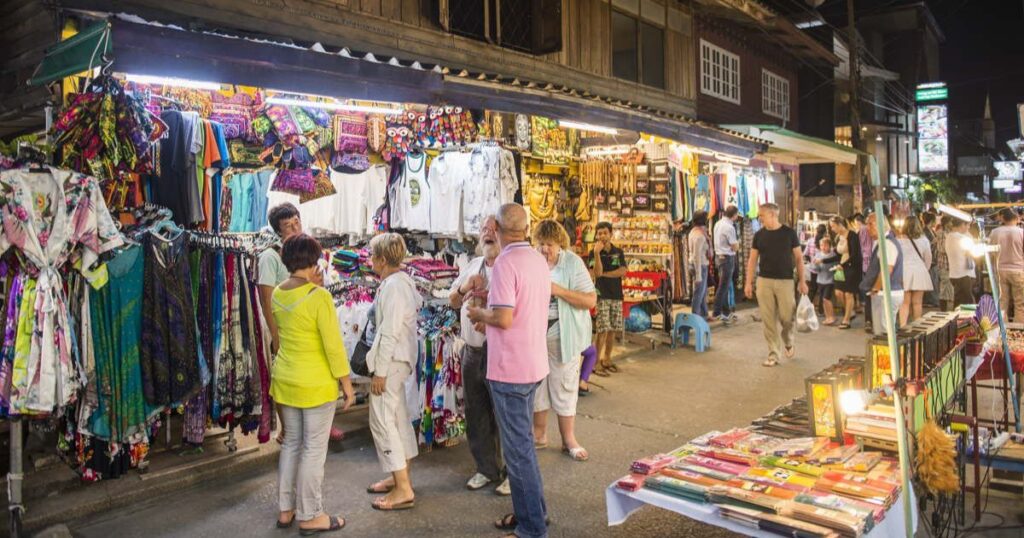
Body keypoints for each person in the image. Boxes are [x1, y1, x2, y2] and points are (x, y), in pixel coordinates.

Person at [468, 204, 551, 538]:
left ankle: (532, 528)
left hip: (511, 369)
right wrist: (492, 297)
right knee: (523, 450)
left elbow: (503, 318)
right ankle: (532, 514)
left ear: (500, 230)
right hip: (532, 364)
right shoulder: (536, 260)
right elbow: (522, 301)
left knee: (517, 454)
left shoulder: (504, 262)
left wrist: (479, 313)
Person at [270, 234, 355, 534]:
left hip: (285, 379)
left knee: (292, 444)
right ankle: (310, 515)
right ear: (312, 259)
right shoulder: (319, 296)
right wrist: (347, 384)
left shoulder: (278, 293)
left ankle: (285, 510)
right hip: (315, 382)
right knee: (313, 450)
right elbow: (334, 346)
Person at [259, 203, 344, 444]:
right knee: (284, 377)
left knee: (309, 372)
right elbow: (267, 301)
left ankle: (317, 425)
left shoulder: (306, 254)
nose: (295, 227)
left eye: (297, 221)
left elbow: (317, 291)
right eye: (288, 225)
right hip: (283, 326)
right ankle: (287, 429)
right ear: (278, 230)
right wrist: (275, 338)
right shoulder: (270, 257)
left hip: (306, 324)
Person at [448, 216, 511, 495]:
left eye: (493, 230)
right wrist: (464, 288)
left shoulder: (508, 268)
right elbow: (451, 300)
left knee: (505, 416)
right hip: (472, 350)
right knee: (476, 414)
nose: (488, 234)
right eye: (484, 230)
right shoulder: (473, 265)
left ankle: (512, 473)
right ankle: (486, 468)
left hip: (500, 352)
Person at [365, 233, 421, 511]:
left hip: (393, 360)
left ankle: (403, 488)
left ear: (383, 259)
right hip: (399, 359)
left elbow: (389, 332)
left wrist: (380, 371)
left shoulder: (394, 287)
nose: (369, 260)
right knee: (397, 418)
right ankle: (400, 476)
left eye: (373, 255)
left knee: (383, 421)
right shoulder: (400, 282)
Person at [532, 219, 596, 462]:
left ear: (560, 245)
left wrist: (558, 291)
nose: (544, 250)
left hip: (564, 334)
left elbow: (590, 301)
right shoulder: (532, 261)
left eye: (549, 244)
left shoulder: (572, 263)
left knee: (565, 385)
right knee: (537, 387)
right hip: (536, 335)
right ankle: (539, 435)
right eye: (540, 244)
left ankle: (568, 439)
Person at [744, 203, 808, 367]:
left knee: (787, 317)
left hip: (785, 281)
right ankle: (773, 354)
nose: (760, 218)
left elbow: (799, 258)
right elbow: (752, 260)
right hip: (764, 281)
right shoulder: (759, 235)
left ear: (772, 215)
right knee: (768, 320)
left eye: (762, 215)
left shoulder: (789, 233)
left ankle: (788, 340)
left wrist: (802, 281)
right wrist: (748, 283)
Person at [589, 221, 627, 376]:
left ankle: (607, 359)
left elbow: (623, 271)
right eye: (599, 233)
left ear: (611, 234)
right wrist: (597, 254)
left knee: (612, 329)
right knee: (602, 330)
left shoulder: (618, 251)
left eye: (605, 233)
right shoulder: (593, 253)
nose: (602, 236)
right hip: (601, 295)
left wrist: (606, 274)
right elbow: (596, 273)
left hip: (616, 294)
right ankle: (595, 362)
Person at [861, 213, 904, 335]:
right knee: (884, 331)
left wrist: (876, 288)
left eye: (870, 224)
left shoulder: (887, 243)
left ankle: (889, 355)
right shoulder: (884, 242)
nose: (867, 228)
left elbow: (886, 270)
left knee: (884, 334)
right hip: (887, 293)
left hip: (886, 294)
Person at [989, 208, 1024, 322]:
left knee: (1002, 302)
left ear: (1003, 218)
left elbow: (991, 252)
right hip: (1018, 270)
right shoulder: (1021, 232)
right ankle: (1019, 330)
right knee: (1020, 303)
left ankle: (1002, 329)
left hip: (1000, 270)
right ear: (1016, 218)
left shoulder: (995, 232)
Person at [897, 215, 932, 325]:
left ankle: (903, 326)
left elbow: (896, 258)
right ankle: (917, 327)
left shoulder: (899, 240)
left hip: (904, 271)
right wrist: (924, 269)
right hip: (919, 271)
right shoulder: (924, 240)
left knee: (904, 303)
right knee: (917, 303)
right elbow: (928, 258)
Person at [829, 216, 863, 329]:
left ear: (840, 225)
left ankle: (846, 319)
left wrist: (842, 265)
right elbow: (838, 255)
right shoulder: (838, 237)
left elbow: (855, 255)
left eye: (833, 226)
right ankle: (850, 311)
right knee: (838, 292)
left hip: (851, 268)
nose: (832, 229)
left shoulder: (852, 236)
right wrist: (823, 260)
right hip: (840, 267)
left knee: (848, 293)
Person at [712, 206, 741, 323]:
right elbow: (735, 246)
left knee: (724, 285)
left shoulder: (718, 224)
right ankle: (716, 312)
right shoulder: (730, 227)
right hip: (727, 258)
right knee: (723, 287)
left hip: (718, 257)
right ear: (734, 215)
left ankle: (725, 312)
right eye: (737, 215)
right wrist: (737, 246)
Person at [945, 218, 976, 308]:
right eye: (967, 225)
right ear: (962, 224)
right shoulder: (963, 238)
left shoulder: (949, 236)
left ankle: (958, 320)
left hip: (954, 273)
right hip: (964, 274)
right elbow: (973, 250)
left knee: (958, 302)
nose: (968, 228)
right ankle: (965, 321)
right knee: (966, 304)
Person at [687, 211, 711, 319]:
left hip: (694, 264)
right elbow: (697, 256)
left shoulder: (693, 231)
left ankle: (704, 314)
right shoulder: (699, 236)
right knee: (699, 293)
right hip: (699, 265)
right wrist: (698, 275)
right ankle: (695, 317)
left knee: (702, 291)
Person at [812, 236, 839, 326]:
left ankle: (832, 316)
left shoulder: (833, 255)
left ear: (829, 246)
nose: (823, 247)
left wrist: (832, 268)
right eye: (821, 245)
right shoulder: (818, 254)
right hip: (820, 280)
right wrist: (815, 264)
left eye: (825, 245)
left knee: (826, 298)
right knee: (823, 300)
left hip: (830, 280)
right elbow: (816, 269)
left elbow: (836, 266)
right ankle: (828, 317)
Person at [935, 215, 955, 310]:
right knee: (945, 286)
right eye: (951, 222)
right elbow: (942, 248)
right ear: (947, 223)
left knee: (949, 286)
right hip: (944, 264)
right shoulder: (942, 234)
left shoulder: (948, 233)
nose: (952, 224)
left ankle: (947, 309)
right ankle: (944, 310)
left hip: (948, 264)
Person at [921, 211, 940, 307]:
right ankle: (931, 300)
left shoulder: (931, 231)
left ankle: (933, 300)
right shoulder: (924, 231)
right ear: (932, 221)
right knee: (932, 279)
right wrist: (933, 242)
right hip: (930, 260)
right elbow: (925, 246)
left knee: (934, 279)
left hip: (934, 259)